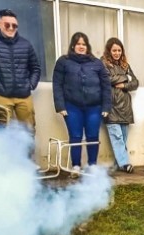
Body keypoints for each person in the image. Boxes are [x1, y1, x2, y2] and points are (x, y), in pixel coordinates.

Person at [52, 32, 111, 175]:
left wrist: (106, 106)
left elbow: (106, 86)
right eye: (78, 44)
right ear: (73, 45)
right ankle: (76, 166)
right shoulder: (63, 61)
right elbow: (57, 84)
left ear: (87, 46)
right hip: (72, 106)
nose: (81, 46)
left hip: (94, 107)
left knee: (92, 136)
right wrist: (60, 105)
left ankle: (92, 166)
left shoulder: (97, 63)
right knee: (75, 136)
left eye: (83, 44)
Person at [0, 8, 40, 131]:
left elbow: (35, 68)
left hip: (24, 96)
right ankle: (6, 151)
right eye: (7, 24)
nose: (11, 28)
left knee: (28, 131)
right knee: (3, 131)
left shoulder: (25, 44)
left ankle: (28, 151)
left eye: (14, 25)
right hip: (1, 95)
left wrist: (30, 85)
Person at [102, 37, 139, 173]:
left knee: (122, 139)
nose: (117, 53)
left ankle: (119, 164)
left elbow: (135, 82)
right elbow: (106, 79)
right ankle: (125, 164)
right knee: (117, 137)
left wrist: (124, 84)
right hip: (111, 107)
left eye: (119, 50)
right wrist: (125, 77)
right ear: (109, 51)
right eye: (114, 50)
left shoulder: (125, 65)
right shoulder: (103, 63)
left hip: (125, 107)